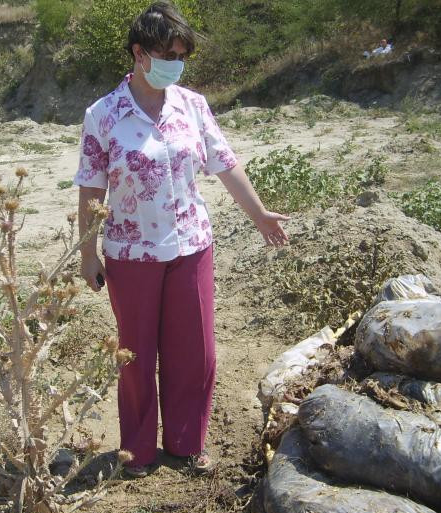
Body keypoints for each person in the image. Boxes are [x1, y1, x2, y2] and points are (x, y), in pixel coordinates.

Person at [73, 2, 289, 478]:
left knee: (196, 352)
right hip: (131, 254)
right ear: (139, 53)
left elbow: (225, 163)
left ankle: (186, 443)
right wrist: (87, 253)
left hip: (191, 246)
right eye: (168, 54)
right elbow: (91, 187)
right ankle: (137, 451)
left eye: (182, 56)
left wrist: (259, 214)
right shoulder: (103, 115)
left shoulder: (192, 105)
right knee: (135, 356)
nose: (176, 63)